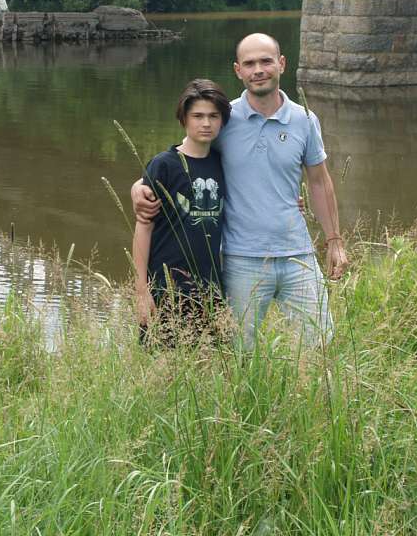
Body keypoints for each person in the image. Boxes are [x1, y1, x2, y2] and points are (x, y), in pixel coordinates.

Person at [133, 33, 347, 348]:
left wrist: (334, 241)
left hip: (297, 255)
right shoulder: (223, 119)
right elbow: (183, 159)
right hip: (240, 259)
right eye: (249, 63)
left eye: (265, 61)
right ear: (238, 70)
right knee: (239, 354)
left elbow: (319, 180)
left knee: (320, 346)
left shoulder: (304, 120)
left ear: (282, 64)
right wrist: (138, 187)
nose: (258, 69)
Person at [132, 78, 230, 346]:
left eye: (213, 116)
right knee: (161, 363)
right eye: (197, 116)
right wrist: (142, 290)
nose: (206, 123)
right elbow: (143, 226)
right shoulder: (165, 165)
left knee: (210, 365)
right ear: (183, 119)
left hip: (210, 288)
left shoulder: (224, 164)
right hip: (165, 286)